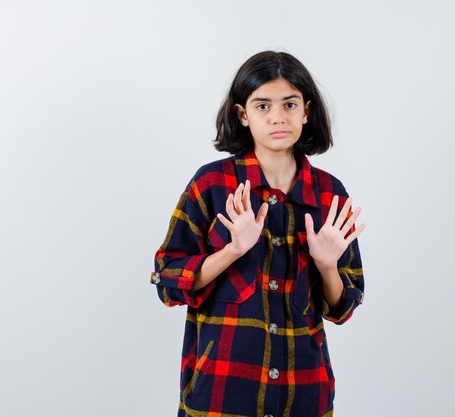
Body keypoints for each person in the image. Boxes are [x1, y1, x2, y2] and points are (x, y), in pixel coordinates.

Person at [150, 50, 366, 417]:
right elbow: (168, 283)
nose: (278, 117)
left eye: (290, 104)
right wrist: (232, 250)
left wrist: (328, 266)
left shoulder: (329, 194)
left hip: (304, 396)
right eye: (262, 106)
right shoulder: (212, 184)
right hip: (221, 393)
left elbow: (342, 308)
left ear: (307, 111)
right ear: (242, 114)